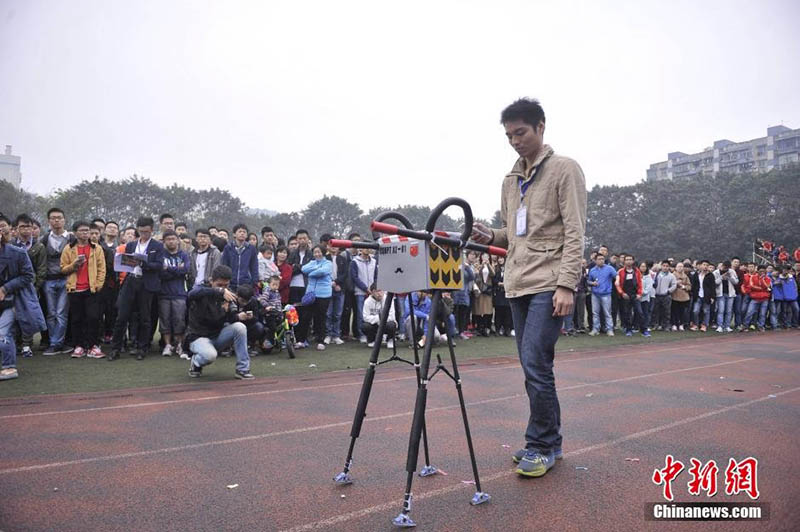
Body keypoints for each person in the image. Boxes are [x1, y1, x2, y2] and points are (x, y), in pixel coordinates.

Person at [472, 98, 586, 478]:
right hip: (517, 282)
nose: (514, 141)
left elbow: (574, 232)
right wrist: (492, 234)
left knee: (536, 362)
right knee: (531, 365)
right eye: (508, 135)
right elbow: (515, 234)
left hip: (549, 281)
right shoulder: (510, 180)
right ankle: (548, 442)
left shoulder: (564, 169)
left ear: (541, 127)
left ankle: (541, 445)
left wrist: (566, 284)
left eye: (520, 132)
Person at [109, 217, 164, 361]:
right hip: (130, 281)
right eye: (141, 232)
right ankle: (115, 348)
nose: (143, 234)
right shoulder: (131, 245)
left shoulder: (157, 246)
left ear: (152, 230)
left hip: (146, 284)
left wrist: (144, 263)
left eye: (146, 232)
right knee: (122, 316)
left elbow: (159, 266)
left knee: (145, 318)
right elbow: (126, 263)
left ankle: (142, 348)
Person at [185, 265, 254, 379]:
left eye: (226, 285)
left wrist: (238, 316)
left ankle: (243, 369)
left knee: (240, 327)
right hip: (197, 337)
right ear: (211, 280)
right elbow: (191, 294)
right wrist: (219, 291)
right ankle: (196, 362)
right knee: (210, 355)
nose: (224, 288)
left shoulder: (228, 295)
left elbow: (231, 319)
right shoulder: (202, 290)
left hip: (217, 336)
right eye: (219, 285)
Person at [1, 212, 46, 380]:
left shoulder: (17, 252)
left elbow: (29, 275)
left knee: (3, 333)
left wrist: (6, 288)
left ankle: (9, 367)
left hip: (12, 300)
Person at [60, 221, 107, 358]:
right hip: (74, 289)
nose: (85, 233)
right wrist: (74, 265)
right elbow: (63, 268)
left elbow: (101, 269)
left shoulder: (96, 248)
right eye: (82, 231)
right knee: (76, 319)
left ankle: (93, 346)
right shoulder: (68, 248)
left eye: (87, 230)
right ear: (75, 233)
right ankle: (79, 346)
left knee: (93, 318)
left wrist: (98, 285)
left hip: (92, 289)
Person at [11, 214, 46, 357]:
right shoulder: (10, 246)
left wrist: (36, 287)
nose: (26, 230)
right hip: (12, 288)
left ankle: (27, 345)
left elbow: (41, 269)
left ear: (33, 229)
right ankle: (14, 344)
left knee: (29, 316)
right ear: (16, 229)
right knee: (13, 317)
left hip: (31, 288)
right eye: (22, 227)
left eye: (28, 227)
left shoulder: (39, 246)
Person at [40, 208, 73, 355]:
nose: (56, 220)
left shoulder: (72, 238)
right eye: (53, 218)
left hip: (66, 279)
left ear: (64, 220)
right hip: (49, 280)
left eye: (59, 217)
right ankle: (56, 342)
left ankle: (56, 343)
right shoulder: (44, 239)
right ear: (49, 221)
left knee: (61, 313)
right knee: (51, 313)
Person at [159, 230, 190, 357]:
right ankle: (167, 345)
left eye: (173, 238)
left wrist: (170, 269)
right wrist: (177, 270)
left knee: (179, 320)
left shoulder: (184, 255)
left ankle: (179, 345)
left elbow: (185, 270)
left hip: (180, 293)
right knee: (165, 320)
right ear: (164, 241)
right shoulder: (161, 255)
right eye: (168, 239)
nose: (171, 241)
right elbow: (161, 273)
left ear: (178, 240)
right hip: (163, 293)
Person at [300, 245, 332, 351]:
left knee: (321, 318)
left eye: (319, 252)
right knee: (305, 317)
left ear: (323, 252)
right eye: (315, 252)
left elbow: (322, 272)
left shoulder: (328, 263)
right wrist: (316, 268)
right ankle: (302, 340)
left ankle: (321, 340)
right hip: (310, 294)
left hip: (323, 294)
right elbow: (304, 269)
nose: (317, 254)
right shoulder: (312, 262)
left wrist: (311, 273)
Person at [615, 254, 647, 337]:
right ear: (624, 261)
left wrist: (639, 294)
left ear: (633, 261)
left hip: (635, 295)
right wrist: (622, 293)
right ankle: (628, 330)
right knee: (627, 313)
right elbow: (617, 284)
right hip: (625, 295)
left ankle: (644, 330)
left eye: (630, 259)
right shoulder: (620, 271)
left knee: (640, 312)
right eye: (627, 259)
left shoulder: (637, 271)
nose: (629, 261)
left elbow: (640, 283)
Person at [350, 247, 377, 343]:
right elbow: (354, 277)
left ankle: (373, 334)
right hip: (360, 292)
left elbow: (376, 276)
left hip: (373, 292)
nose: (367, 250)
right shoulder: (355, 261)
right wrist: (365, 288)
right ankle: (361, 334)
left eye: (369, 248)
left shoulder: (374, 261)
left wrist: (374, 288)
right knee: (360, 314)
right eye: (365, 248)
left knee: (374, 313)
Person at [221, 223, 259, 292]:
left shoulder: (251, 249)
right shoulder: (228, 248)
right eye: (240, 231)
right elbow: (224, 265)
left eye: (244, 232)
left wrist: (253, 282)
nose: (242, 233)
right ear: (234, 234)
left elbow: (254, 267)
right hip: (231, 285)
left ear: (247, 235)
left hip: (246, 284)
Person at [587, 254, 617, 336]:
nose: (601, 260)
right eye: (599, 259)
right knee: (595, 313)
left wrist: (617, 281)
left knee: (607, 313)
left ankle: (609, 329)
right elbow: (588, 281)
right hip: (595, 294)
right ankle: (595, 329)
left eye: (603, 259)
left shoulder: (609, 268)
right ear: (595, 260)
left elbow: (617, 276)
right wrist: (592, 283)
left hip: (606, 294)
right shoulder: (592, 270)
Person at [324, 242, 348, 345]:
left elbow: (345, 274)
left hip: (340, 289)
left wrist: (337, 283)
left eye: (335, 246)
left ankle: (336, 335)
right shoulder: (325, 258)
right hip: (327, 288)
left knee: (338, 314)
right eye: (331, 245)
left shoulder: (342, 259)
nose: (333, 248)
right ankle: (328, 334)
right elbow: (324, 272)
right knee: (328, 313)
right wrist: (332, 283)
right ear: (328, 247)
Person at [362, 284, 396, 348]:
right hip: (374, 325)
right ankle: (371, 340)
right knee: (365, 326)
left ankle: (390, 339)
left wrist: (381, 319)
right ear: (372, 292)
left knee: (392, 325)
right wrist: (379, 318)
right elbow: (365, 317)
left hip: (386, 324)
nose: (379, 293)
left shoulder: (389, 300)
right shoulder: (367, 302)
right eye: (376, 291)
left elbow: (392, 317)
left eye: (380, 291)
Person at [235, 284, 264, 354]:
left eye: (246, 301)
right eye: (242, 300)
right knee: (226, 324)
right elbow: (227, 317)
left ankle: (250, 344)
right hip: (235, 326)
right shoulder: (232, 300)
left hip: (248, 326)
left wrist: (251, 317)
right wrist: (237, 316)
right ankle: (228, 346)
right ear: (237, 296)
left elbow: (257, 318)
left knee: (259, 327)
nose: (244, 303)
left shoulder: (253, 302)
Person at [257, 275, 284, 350]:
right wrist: (267, 306)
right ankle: (268, 341)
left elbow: (278, 302)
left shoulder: (277, 292)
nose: (275, 286)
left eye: (277, 285)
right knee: (272, 327)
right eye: (273, 284)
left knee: (280, 325)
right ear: (269, 284)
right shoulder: (267, 291)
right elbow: (262, 300)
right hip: (270, 313)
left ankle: (280, 341)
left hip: (277, 313)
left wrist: (281, 310)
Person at [690, 260, 716, 332]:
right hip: (697, 295)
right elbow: (694, 285)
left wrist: (712, 297)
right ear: (700, 266)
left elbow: (712, 287)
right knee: (695, 311)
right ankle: (696, 324)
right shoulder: (696, 274)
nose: (705, 266)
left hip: (706, 296)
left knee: (706, 311)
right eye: (704, 265)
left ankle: (704, 325)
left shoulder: (710, 275)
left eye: (707, 265)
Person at [743, 265, 771, 332]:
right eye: (760, 271)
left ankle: (761, 326)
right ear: (757, 271)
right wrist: (761, 288)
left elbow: (767, 287)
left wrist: (762, 279)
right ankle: (745, 326)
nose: (762, 273)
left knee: (762, 313)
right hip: (755, 298)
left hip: (764, 298)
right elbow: (751, 286)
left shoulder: (767, 278)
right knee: (749, 312)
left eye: (763, 271)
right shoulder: (753, 277)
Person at [473, 253, 494, 336]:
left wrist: (488, 264)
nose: (485, 258)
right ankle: (479, 327)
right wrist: (482, 265)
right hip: (480, 289)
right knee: (479, 309)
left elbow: (493, 274)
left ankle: (486, 327)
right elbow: (477, 274)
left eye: (486, 256)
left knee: (487, 309)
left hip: (487, 290)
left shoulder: (491, 265)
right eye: (483, 256)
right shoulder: (478, 264)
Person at [714, 261, 738, 332]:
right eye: (724, 267)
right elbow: (714, 283)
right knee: (721, 310)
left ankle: (727, 326)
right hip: (720, 294)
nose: (725, 269)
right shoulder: (716, 272)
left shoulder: (732, 272)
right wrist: (721, 277)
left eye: (727, 268)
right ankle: (720, 326)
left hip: (730, 294)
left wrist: (730, 277)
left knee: (729, 311)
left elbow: (736, 282)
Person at [652, 259, 676, 331]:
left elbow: (674, 285)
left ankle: (666, 326)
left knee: (666, 311)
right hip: (657, 295)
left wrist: (668, 291)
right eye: (664, 266)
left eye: (667, 266)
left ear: (669, 267)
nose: (665, 267)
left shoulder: (671, 276)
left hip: (666, 296)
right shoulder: (657, 274)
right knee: (656, 311)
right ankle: (656, 325)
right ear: (661, 266)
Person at [493, 256, 512, 336]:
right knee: (498, 311)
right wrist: (499, 283)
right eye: (499, 258)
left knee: (507, 311)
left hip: (507, 292)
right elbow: (493, 279)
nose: (500, 260)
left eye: (502, 258)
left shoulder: (509, 268)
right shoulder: (495, 268)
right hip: (498, 293)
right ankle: (497, 329)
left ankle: (507, 329)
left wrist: (506, 284)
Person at [671, 262, 691, 330]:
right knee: (674, 311)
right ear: (676, 268)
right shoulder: (672, 275)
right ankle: (674, 324)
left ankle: (681, 324)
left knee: (682, 311)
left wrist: (684, 287)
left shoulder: (685, 276)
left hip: (683, 296)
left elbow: (689, 286)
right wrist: (676, 283)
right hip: (675, 295)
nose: (680, 268)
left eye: (682, 266)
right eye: (679, 266)